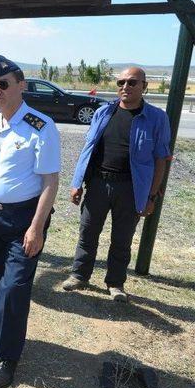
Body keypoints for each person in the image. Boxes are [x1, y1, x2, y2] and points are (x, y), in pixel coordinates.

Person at [0, 55, 60, 388]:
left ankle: (7, 359)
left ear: (21, 85)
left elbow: (51, 181)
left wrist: (36, 228)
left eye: (3, 84)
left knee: (15, 287)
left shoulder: (40, 125)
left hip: (24, 219)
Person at [62, 67, 171, 302]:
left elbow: (161, 159)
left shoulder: (156, 117)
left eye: (132, 82)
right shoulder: (103, 112)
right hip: (98, 184)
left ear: (144, 86)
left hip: (131, 189)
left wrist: (151, 197)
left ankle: (115, 283)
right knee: (87, 233)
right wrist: (76, 182)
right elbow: (87, 150)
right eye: (121, 82)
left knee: (121, 239)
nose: (125, 86)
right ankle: (79, 275)